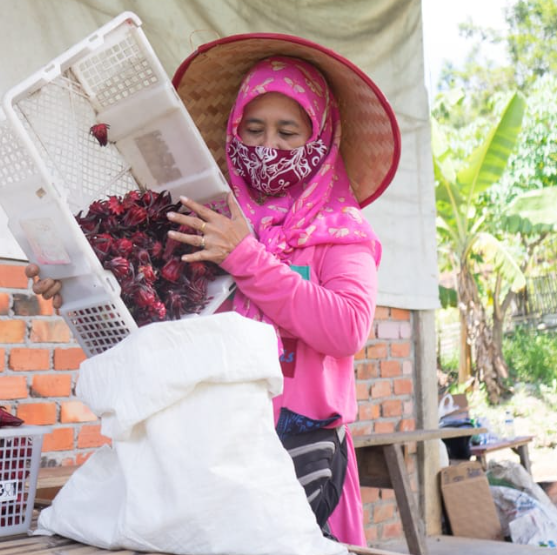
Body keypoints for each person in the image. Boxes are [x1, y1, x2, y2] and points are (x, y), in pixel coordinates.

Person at [27, 33, 400, 547]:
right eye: (254, 129)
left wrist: (245, 256)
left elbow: (346, 328)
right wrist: (76, 288)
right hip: (202, 463)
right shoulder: (206, 218)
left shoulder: (341, 233)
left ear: (321, 140)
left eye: (289, 132)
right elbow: (153, 340)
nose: (269, 146)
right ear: (233, 132)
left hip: (300, 461)